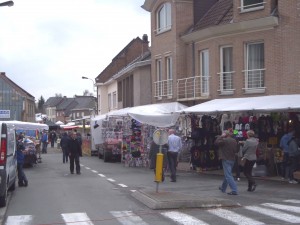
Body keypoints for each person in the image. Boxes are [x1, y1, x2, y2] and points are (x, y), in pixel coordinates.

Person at [214, 129, 238, 195]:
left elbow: (216, 143)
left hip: (226, 159)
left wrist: (221, 136)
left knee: (228, 175)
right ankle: (223, 188)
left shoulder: (224, 140)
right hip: (232, 159)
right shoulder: (234, 140)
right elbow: (236, 150)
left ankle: (234, 190)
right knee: (227, 174)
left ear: (225, 134)